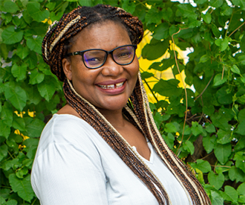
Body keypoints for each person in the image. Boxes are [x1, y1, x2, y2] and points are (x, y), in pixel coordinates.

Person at [31, 4, 211, 205]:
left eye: (123, 53)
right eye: (94, 58)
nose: (114, 69)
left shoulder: (140, 129)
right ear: (68, 68)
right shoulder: (66, 141)